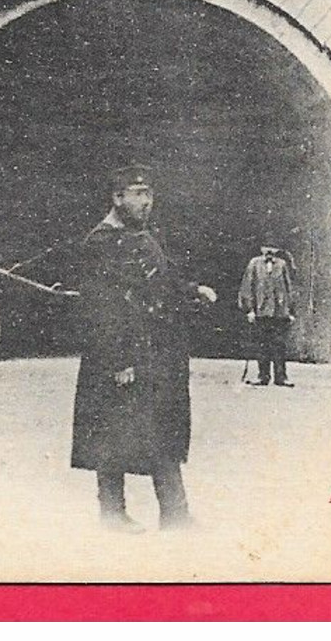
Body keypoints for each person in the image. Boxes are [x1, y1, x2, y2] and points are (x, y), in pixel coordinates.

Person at [69, 164, 217, 532]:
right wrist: (119, 360)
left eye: (149, 193)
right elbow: (102, 308)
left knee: (161, 429)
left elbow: (165, 279)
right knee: (112, 434)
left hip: (157, 354)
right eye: (138, 194)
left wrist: (193, 291)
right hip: (122, 354)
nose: (147, 202)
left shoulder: (145, 237)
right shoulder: (99, 243)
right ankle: (113, 514)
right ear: (117, 198)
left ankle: (175, 514)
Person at [237, 245, 296, 387]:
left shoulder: (282, 265)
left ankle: (281, 377)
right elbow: (247, 287)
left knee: (279, 345)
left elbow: (288, 289)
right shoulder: (254, 263)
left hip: (278, 312)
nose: (269, 251)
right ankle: (263, 376)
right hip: (261, 311)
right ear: (261, 249)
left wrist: (290, 311)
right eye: (266, 248)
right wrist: (250, 309)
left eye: (273, 248)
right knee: (262, 344)